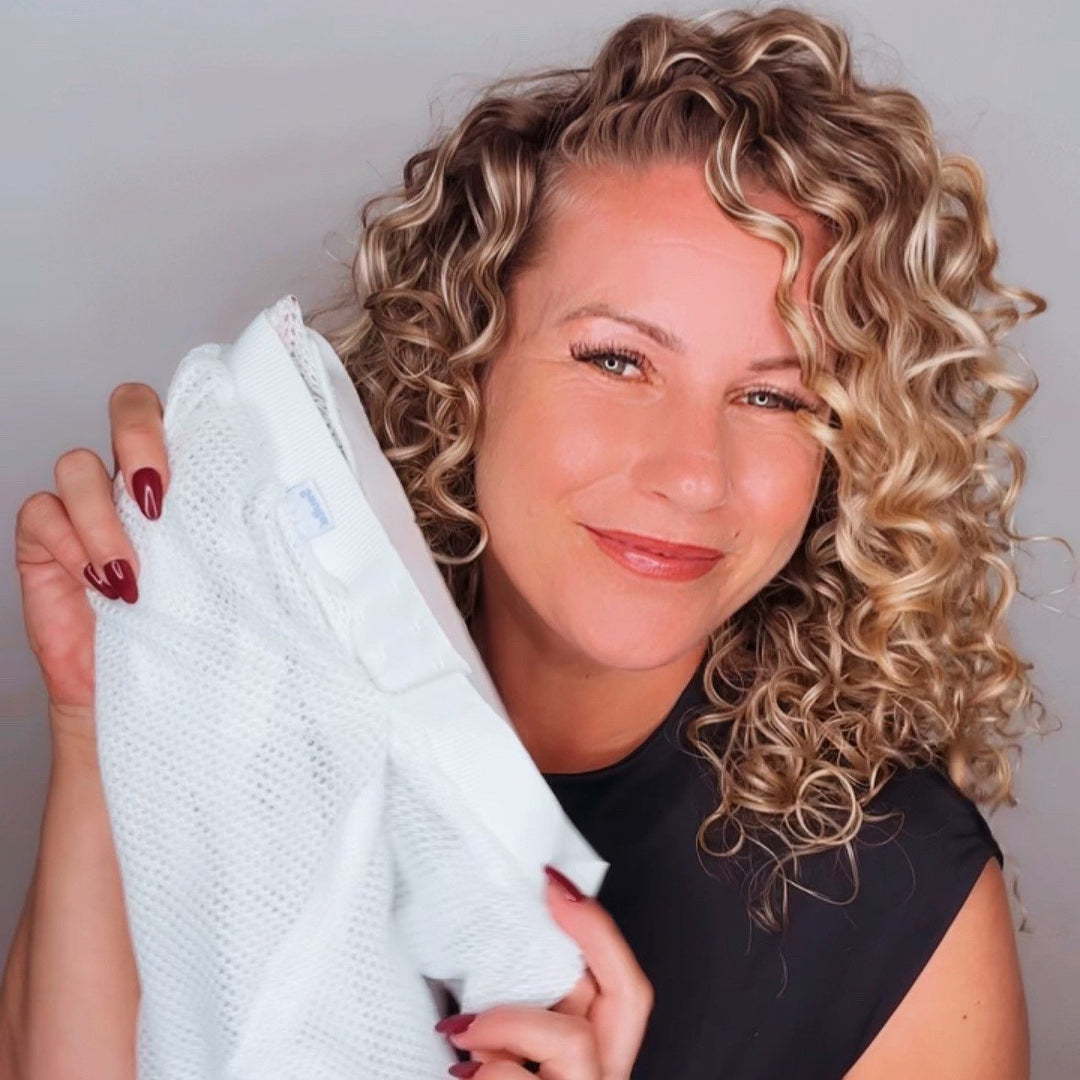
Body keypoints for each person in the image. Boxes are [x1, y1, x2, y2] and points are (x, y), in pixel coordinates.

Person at [1, 5, 1048, 1077]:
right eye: (616, 361)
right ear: (465, 359)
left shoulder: (898, 898)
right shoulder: (262, 695)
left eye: (776, 399)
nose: (695, 471)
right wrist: (101, 710)